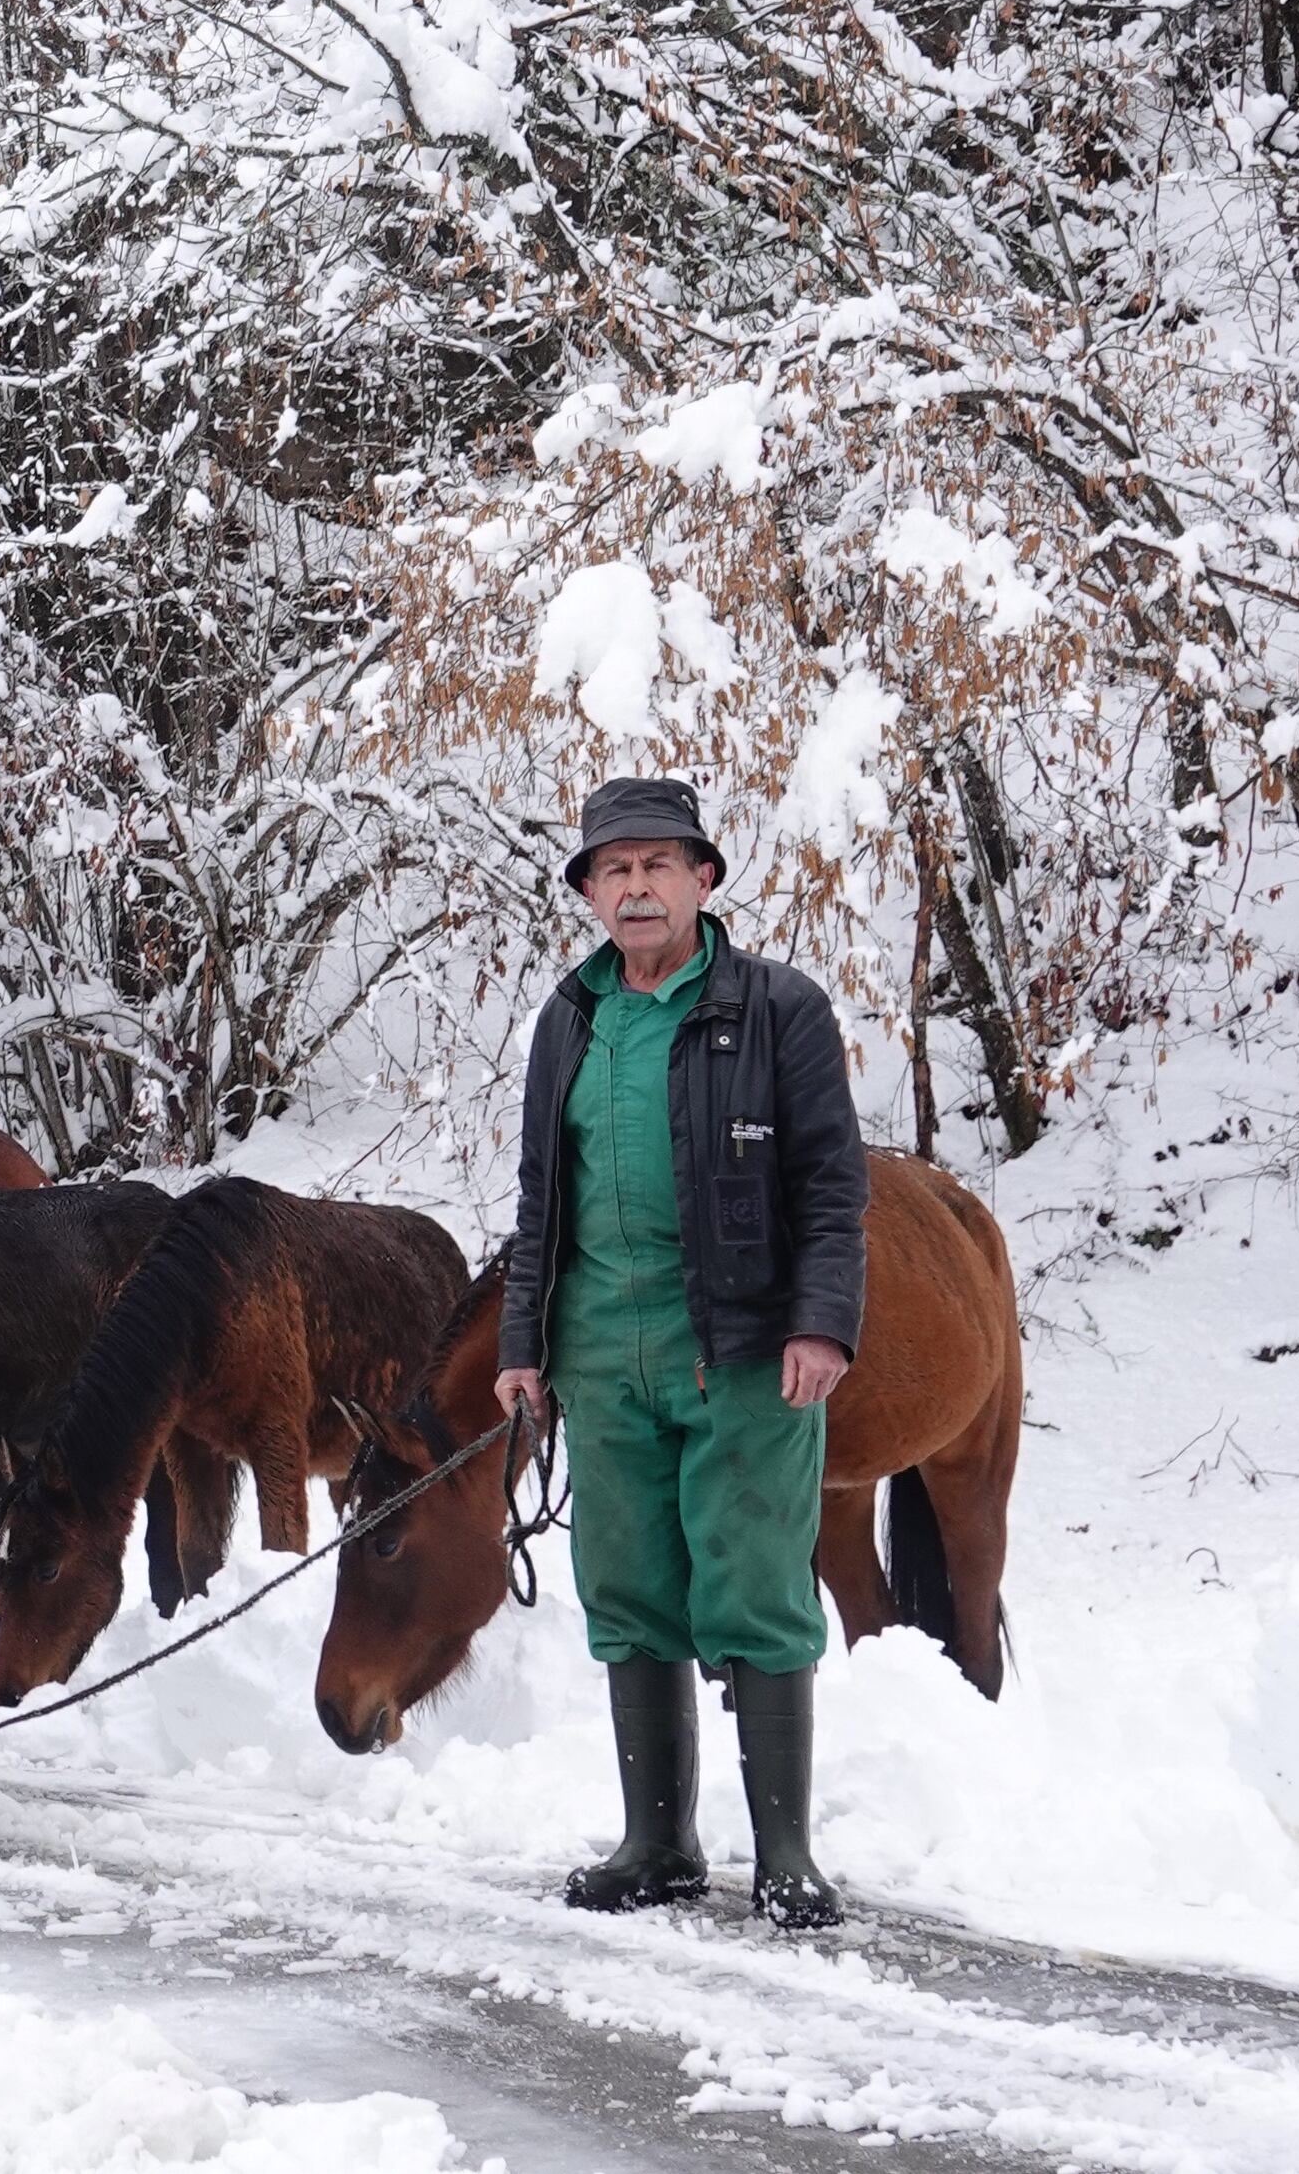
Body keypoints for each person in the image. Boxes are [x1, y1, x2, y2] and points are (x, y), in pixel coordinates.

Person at [497, 775, 870, 1928]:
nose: (635, 886)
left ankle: (785, 1857)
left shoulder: (778, 1008)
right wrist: (523, 1341)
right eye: (612, 869)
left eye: (657, 864)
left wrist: (820, 1321)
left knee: (754, 1584)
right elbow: (537, 1197)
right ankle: (655, 1844)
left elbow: (829, 1183)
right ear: (588, 894)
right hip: (601, 1349)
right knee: (627, 1588)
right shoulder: (569, 1018)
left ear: (703, 880)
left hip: (744, 1346)